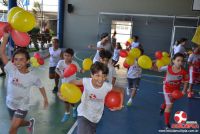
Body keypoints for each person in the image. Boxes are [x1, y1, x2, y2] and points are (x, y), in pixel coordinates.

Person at [0, 33, 48, 134]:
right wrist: (5, 37)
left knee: (13, 128)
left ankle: (25, 123)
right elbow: (2, 53)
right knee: (17, 123)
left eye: (21, 59)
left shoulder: (32, 76)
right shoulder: (11, 69)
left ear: (27, 61)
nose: (18, 62)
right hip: (10, 103)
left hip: (22, 105)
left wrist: (45, 99)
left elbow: (41, 86)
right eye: (16, 59)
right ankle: (29, 123)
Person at [69, 62, 123, 134]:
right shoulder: (86, 81)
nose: (101, 79)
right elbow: (71, 82)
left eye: (104, 76)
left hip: (96, 116)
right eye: (97, 75)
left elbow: (121, 90)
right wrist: (63, 92)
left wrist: (120, 105)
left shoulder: (107, 86)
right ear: (91, 75)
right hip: (83, 113)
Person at [157, 53, 188, 128]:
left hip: (176, 91)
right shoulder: (168, 68)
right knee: (170, 105)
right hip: (167, 88)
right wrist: (156, 63)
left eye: (182, 61)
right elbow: (158, 69)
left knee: (169, 101)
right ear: (173, 61)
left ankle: (162, 106)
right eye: (178, 60)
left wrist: (184, 90)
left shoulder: (184, 72)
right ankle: (167, 123)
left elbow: (186, 81)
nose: (180, 62)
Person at [56, 48, 83, 122]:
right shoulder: (61, 62)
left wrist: (82, 70)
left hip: (72, 84)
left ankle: (74, 109)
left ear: (72, 56)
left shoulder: (74, 63)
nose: (66, 57)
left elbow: (79, 70)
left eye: (68, 56)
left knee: (71, 99)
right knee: (66, 100)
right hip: (64, 85)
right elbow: (57, 69)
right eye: (65, 55)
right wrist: (60, 74)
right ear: (63, 55)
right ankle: (67, 113)